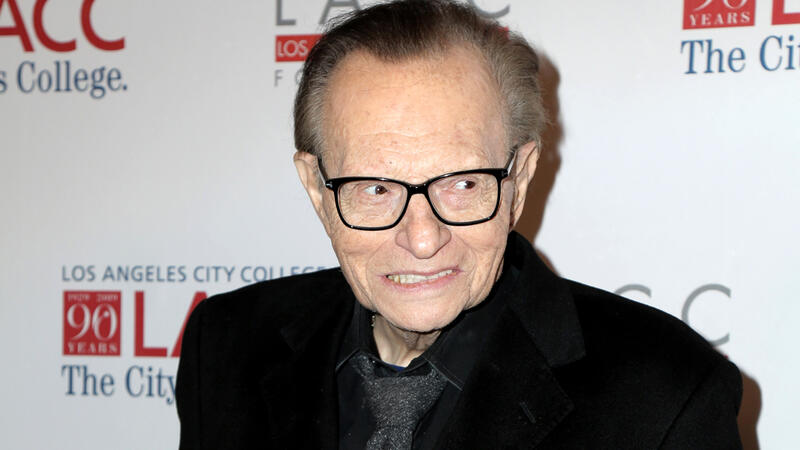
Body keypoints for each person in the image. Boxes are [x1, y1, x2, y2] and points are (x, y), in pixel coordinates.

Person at [176, 1, 743, 448]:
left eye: (463, 184)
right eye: (375, 189)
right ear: (316, 190)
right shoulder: (226, 345)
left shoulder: (668, 394)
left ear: (519, 178)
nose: (423, 239)